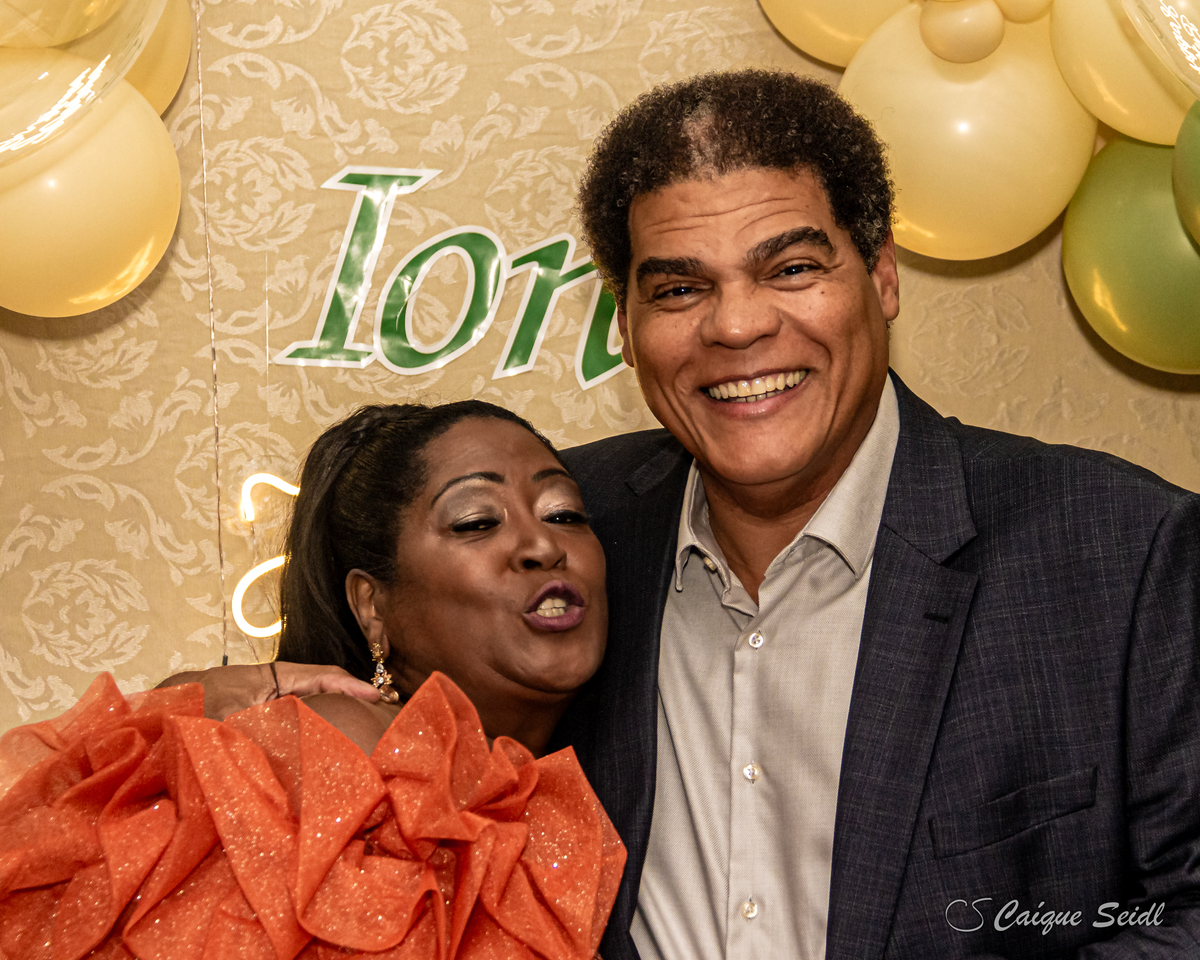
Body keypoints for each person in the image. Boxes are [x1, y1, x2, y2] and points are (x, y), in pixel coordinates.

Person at [169, 71, 1200, 960]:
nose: (738, 324)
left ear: (881, 276)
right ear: (624, 323)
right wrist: (208, 700)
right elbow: (380, 744)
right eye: (678, 289)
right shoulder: (575, 535)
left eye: (792, 268)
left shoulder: (1123, 553)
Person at [0, 400, 624, 959]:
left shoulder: (536, 796)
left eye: (565, 513)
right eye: (475, 521)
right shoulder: (340, 752)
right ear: (372, 607)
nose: (542, 545)